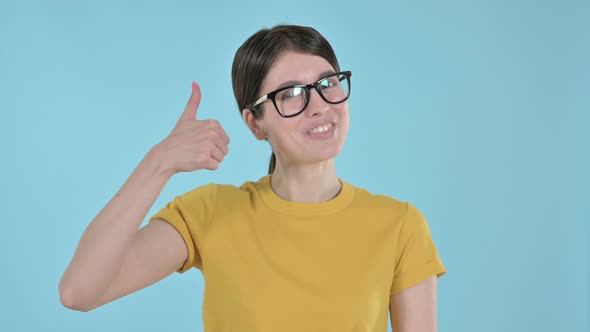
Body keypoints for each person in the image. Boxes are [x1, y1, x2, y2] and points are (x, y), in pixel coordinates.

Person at [59, 24, 447, 331]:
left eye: (327, 83)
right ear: (255, 123)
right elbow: (79, 291)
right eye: (292, 93)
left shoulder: (400, 225)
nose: (319, 106)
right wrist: (160, 162)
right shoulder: (211, 212)